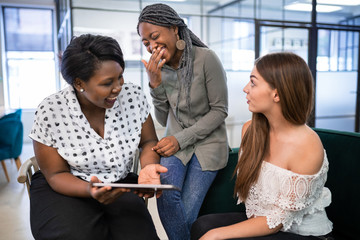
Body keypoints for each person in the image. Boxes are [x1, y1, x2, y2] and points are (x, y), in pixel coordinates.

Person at [29, 34, 167, 240]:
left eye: (120, 76)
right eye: (107, 83)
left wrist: (147, 166)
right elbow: (56, 174)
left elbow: (147, 141)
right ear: (79, 83)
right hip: (66, 186)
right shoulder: (51, 111)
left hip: (118, 183)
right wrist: (90, 190)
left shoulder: (133, 96)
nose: (118, 87)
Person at [191, 52, 334, 240]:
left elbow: (278, 220)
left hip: (301, 233)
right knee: (202, 226)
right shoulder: (250, 131)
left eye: (253, 82)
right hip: (263, 223)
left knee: (214, 235)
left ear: (276, 93)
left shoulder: (307, 145)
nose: (245, 89)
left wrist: (216, 235)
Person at [137, 3, 229, 240]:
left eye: (154, 36)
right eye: (146, 42)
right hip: (175, 144)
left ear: (175, 29)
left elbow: (220, 111)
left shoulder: (206, 59)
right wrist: (155, 84)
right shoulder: (160, 70)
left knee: (186, 215)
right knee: (164, 191)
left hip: (208, 145)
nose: (151, 46)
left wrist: (180, 139)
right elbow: (161, 117)